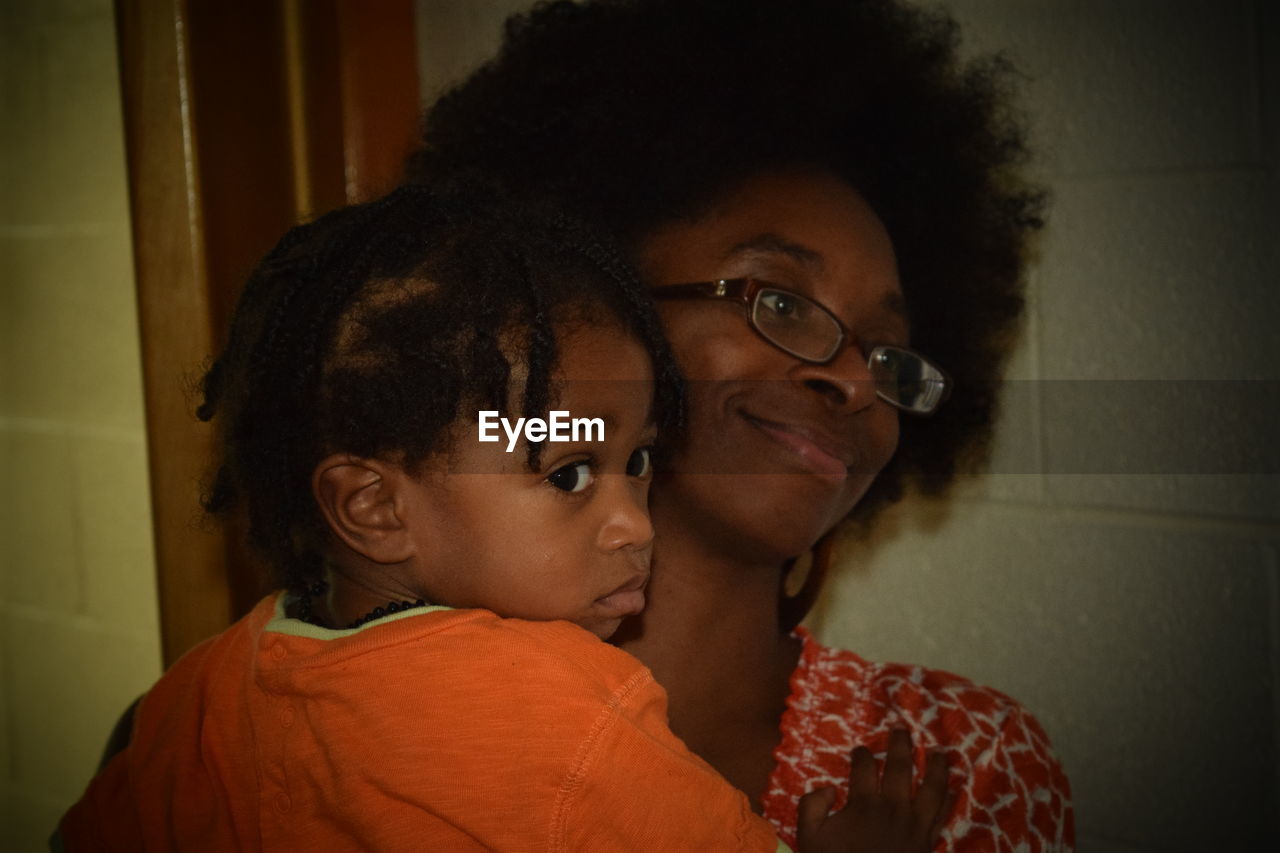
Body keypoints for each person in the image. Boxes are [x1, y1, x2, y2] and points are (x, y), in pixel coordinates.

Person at [58, 181, 952, 851]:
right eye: (569, 472)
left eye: (637, 462)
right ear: (373, 507)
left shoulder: (210, 687)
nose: (636, 524)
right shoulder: (570, 709)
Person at [407, 0, 1074, 850]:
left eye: (889, 355)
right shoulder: (389, 709)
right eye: (784, 301)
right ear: (585, 300)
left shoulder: (964, 764)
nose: (849, 380)